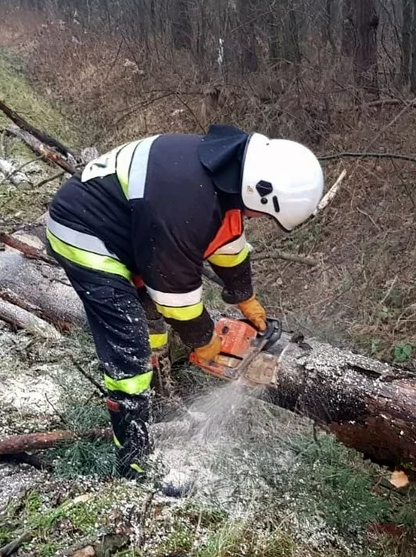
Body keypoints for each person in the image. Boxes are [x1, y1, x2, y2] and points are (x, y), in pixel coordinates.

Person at [45, 124, 325, 482]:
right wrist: (204, 339)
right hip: (84, 234)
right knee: (129, 349)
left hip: (131, 233)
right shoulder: (186, 199)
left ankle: (158, 395)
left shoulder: (225, 173)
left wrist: (245, 298)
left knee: (154, 328)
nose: (257, 219)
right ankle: (134, 461)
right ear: (261, 193)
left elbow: (227, 242)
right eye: (263, 215)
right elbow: (174, 292)